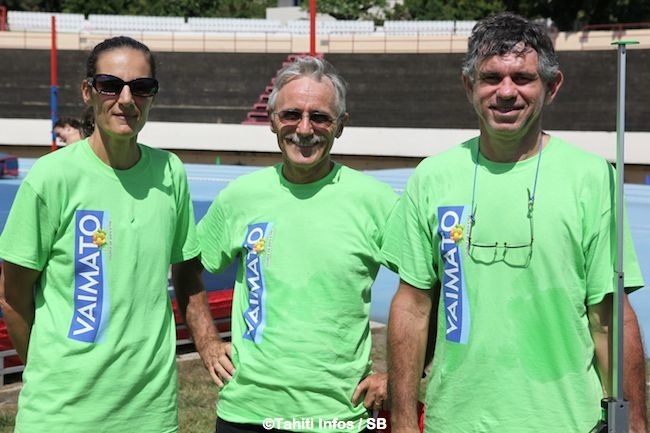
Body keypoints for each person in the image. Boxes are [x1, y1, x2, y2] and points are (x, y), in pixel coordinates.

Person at [384, 12, 647, 433]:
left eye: (523, 78)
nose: (506, 92)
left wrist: (634, 422)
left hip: (567, 423)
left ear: (552, 87)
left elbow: (610, 318)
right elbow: (412, 308)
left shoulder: (593, 177)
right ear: (469, 86)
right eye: (491, 78)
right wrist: (400, 419)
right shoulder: (432, 177)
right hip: (455, 422)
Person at [175, 55, 399, 433]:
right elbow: (186, 267)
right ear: (272, 120)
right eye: (292, 114)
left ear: (341, 125)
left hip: (339, 416)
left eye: (320, 117)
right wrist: (208, 343)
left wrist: (400, 374)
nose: (305, 129)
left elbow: (429, 286)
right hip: (247, 414)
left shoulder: (376, 202)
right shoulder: (240, 197)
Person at [0, 36, 200, 432]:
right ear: (88, 91)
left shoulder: (171, 173)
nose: (126, 99)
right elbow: (13, 295)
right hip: (61, 415)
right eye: (110, 85)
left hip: (150, 415)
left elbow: (187, 271)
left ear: (152, 96)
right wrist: (49, 368)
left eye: (141, 87)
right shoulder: (51, 177)